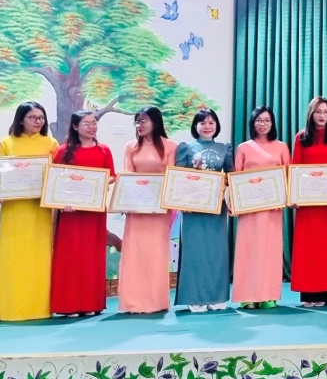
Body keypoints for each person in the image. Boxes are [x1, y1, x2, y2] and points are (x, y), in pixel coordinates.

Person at [0, 102, 59, 321]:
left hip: (39, 210)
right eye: (33, 117)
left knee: (39, 258)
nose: (38, 121)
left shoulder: (51, 143)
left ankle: (39, 308)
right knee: (12, 258)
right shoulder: (7, 143)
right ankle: (9, 309)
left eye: (41, 117)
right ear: (21, 119)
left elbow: (58, 174)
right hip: (14, 210)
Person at [50, 110, 116, 317]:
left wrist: (98, 184)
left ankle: (91, 304)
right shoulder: (63, 151)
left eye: (94, 122)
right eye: (86, 123)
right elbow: (55, 180)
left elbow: (112, 176)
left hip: (94, 212)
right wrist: (63, 201)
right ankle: (68, 305)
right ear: (75, 126)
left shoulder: (104, 150)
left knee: (91, 257)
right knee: (70, 256)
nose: (91, 127)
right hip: (71, 213)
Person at [117, 107, 177, 314]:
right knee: (134, 253)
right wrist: (127, 201)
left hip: (160, 210)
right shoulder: (130, 146)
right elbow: (128, 175)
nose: (139, 125)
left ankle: (156, 301)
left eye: (144, 121)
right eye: (137, 121)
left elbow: (172, 177)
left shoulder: (170, 146)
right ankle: (132, 302)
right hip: (136, 209)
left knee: (156, 254)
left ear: (155, 122)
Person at [175, 108, 234, 312]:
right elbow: (178, 177)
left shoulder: (225, 148)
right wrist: (183, 201)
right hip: (193, 209)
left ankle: (216, 297)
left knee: (216, 253)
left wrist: (232, 196)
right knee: (195, 252)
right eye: (202, 123)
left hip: (217, 209)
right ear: (195, 126)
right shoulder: (185, 147)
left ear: (216, 125)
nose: (207, 126)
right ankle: (195, 298)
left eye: (211, 122)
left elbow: (232, 176)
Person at [232, 106, 291, 308]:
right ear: (252, 123)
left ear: (272, 123)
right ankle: (247, 296)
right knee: (248, 249)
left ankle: (268, 295)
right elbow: (236, 177)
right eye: (259, 120)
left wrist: (286, 197)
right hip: (249, 210)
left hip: (272, 210)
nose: (263, 124)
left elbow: (288, 175)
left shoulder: (281, 147)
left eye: (266, 120)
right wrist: (234, 201)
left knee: (270, 250)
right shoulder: (243, 148)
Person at [290, 97, 327, 307]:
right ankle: (308, 295)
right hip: (307, 204)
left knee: (326, 249)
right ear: (311, 114)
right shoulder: (301, 137)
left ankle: (325, 292)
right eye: (318, 112)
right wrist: (294, 196)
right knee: (307, 249)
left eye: (326, 112)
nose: (322, 116)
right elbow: (295, 167)